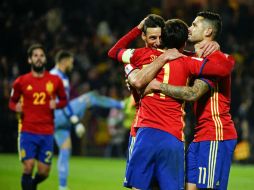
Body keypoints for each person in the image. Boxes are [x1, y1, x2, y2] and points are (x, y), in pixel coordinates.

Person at [143, 11, 237, 190]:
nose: (189, 28)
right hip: (200, 135)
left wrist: (157, 86)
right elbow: (179, 56)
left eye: (194, 25)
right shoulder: (196, 58)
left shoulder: (216, 60)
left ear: (208, 31)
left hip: (216, 134)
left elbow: (193, 93)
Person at [50, 50, 124, 190]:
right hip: (60, 115)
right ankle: (121, 104)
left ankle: (62, 187)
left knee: (65, 151)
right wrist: (75, 121)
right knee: (91, 97)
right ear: (64, 61)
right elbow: (61, 102)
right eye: (71, 61)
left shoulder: (57, 75)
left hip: (56, 121)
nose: (72, 64)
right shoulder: (57, 77)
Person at [9, 44, 67, 190]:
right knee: (28, 166)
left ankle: (32, 185)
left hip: (47, 132)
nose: (39, 58)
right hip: (27, 130)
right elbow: (12, 101)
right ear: (30, 60)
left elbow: (64, 100)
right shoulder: (21, 81)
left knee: (44, 172)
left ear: (45, 59)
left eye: (41, 55)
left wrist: (57, 105)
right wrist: (15, 107)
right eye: (35, 56)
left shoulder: (55, 80)